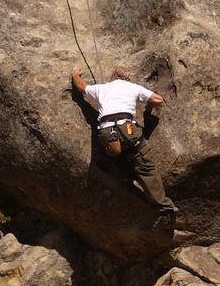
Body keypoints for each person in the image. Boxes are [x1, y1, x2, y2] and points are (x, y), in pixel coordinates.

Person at [72, 65, 178, 213]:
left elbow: (81, 87)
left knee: (114, 155)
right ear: (127, 78)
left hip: (106, 130)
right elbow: (158, 100)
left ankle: (115, 161)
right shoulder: (132, 87)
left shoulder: (102, 88)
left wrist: (75, 74)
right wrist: (148, 107)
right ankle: (163, 205)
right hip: (127, 129)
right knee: (145, 166)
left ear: (114, 76)